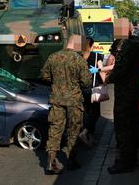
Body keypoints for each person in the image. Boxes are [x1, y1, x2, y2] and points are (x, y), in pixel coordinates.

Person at [41, 34, 92, 174]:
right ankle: (71, 160)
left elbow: (44, 76)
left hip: (57, 100)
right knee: (73, 131)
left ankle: (51, 162)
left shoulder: (53, 57)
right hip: (74, 101)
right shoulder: (79, 60)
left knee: (55, 130)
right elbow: (87, 82)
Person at [104, 18, 139, 174]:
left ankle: (125, 162)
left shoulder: (129, 45)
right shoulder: (133, 43)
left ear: (128, 29)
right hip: (130, 92)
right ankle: (129, 159)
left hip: (126, 94)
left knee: (124, 128)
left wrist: (107, 79)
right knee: (131, 126)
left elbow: (121, 69)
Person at [79, 37, 104, 146]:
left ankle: (87, 137)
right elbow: (101, 71)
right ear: (92, 45)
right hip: (94, 89)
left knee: (85, 113)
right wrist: (105, 82)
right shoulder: (97, 56)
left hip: (81, 89)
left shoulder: (78, 57)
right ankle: (87, 133)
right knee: (95, 113)